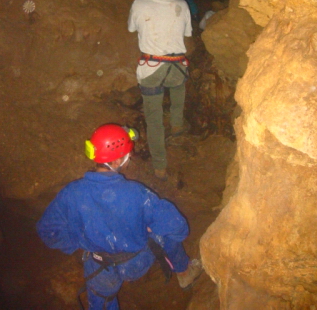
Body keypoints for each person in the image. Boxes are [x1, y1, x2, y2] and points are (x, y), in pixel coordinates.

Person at [37, 123, 203, 310]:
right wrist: (147, 227)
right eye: (127, 155)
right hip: (135, 263)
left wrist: (80, 240)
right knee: (164, 232)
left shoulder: (71, 192)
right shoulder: (137, 193)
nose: (129, 157)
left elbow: (47, 231)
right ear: (116, 161)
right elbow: (179, 228)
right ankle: (184, 272)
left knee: (101, 301)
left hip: (99, 268)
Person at [128, 0, 192, 180]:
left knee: (154, 119)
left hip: (151, 69)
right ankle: (176, 125)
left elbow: (131, 28)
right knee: (177, 87)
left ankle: (160, 166)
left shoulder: (138, 4)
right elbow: (188, 33)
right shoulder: (182, 5)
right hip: (177, 67)